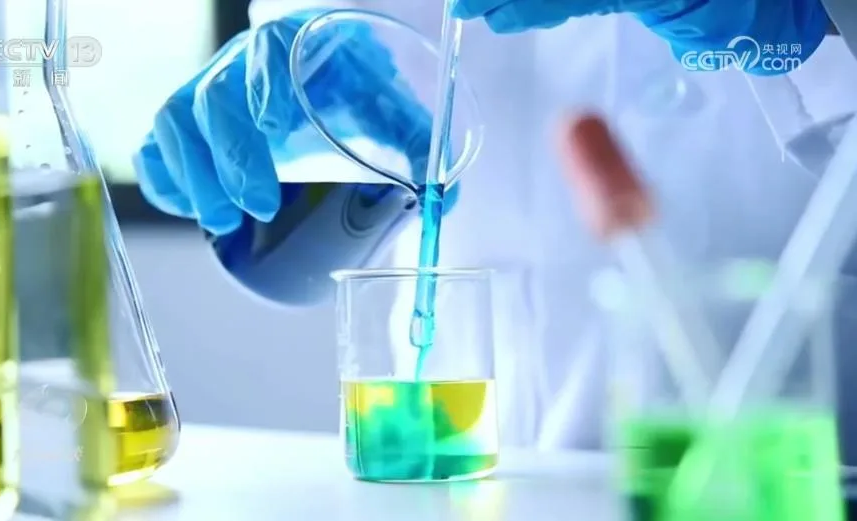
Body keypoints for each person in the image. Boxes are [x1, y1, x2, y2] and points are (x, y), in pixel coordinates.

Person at [134, 0, 857, 473]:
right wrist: (299, 73)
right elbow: (349, 46)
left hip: (787, 451)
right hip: (469, 458)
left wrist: (807, 16)